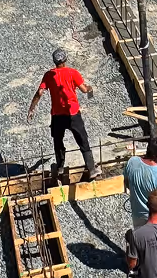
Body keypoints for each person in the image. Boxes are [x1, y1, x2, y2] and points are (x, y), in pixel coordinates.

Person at [27, 48, 102, 181]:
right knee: (82, 140)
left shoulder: (49, 75)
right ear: (65, 60)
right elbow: (84, 90)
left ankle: (60, 167)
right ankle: (91, 169)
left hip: (57, 115)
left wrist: (32, 108)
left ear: (54, 61)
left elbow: (39, 92)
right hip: (72, 113)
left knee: (58, 141)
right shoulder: (73, 73)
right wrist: (90, 88)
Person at [124, 135, 157, 229]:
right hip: (154, 217)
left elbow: (127, 183)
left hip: (137, 214)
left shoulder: (132, 161)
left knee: (140, 240)